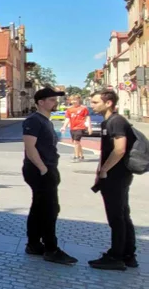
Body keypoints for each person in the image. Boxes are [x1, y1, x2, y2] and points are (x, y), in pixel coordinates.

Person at [22, 87, 76, 265]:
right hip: (39, 170)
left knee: (39, 207)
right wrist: (43, 168)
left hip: (46, 168)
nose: (55, 103)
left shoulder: (46, 121)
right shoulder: (34, 120)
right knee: (50, 209)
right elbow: (30, 148)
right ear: (40, 102)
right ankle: (51, 249)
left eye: (55, 100)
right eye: (51, 100)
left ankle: (34, 244)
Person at [88, 89, 137, 270]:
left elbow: (119, 149)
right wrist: (99, 170)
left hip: (116, 176)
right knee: (122, 215)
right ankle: (128, 254)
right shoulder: (108, 122)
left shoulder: (115, 122)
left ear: (108, 103)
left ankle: (117, 257)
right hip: (114, 175)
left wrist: (104, 171)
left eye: (95, 102)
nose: (92, 105)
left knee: (117, 217)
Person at [64, 94, 91, 162]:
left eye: (75, 100)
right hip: (72, 127)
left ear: (79, 100)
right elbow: (67, 118)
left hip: (80, 127)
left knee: (76, 142)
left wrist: (89, 127)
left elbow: (87, 117)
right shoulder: (69, 109)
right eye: (72, 100)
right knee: (76, 142)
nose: (74, 101)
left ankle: (76, 156)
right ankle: (81, 155)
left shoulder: (83, 108)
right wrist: (64, 126)